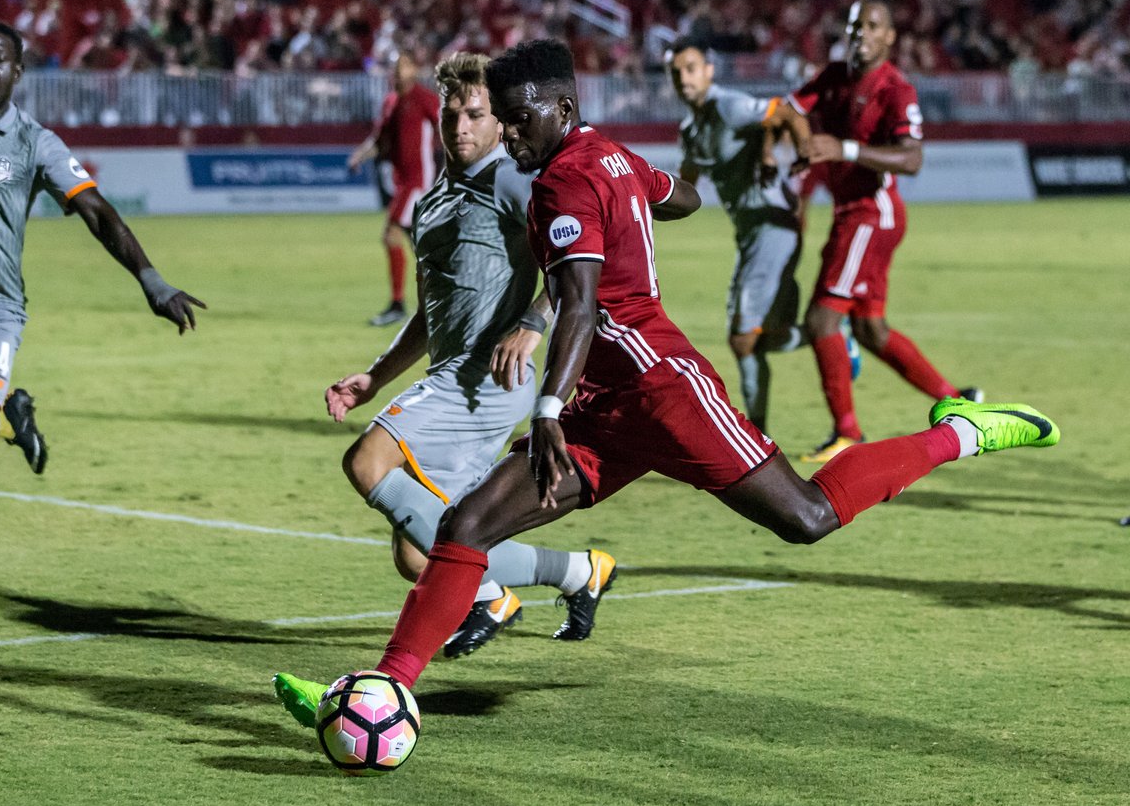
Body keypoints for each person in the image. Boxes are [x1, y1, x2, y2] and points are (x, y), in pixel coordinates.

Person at [270, 39, 1059, 731]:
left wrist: (548, 406)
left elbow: (576, 304)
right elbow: (682, 194)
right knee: (468, 525)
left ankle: (961, 429)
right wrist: (631, 193)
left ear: (561, 108)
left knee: (809, 516)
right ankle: (383, 687)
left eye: (518, 118)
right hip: (607, 404)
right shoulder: (602, 156)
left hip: (664, 389)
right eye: (501, 119)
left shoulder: (559, 186)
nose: (508, 133)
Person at [274, 52, 616, 717]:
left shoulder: (515, 183)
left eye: (476, 114)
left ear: (498, 121)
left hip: (487, 380)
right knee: (419, 551)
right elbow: (431, 316)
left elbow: (574, 269)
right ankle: (579, 571)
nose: (461, 125)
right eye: (453, 113)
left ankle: (488, 598)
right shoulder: (433, 203)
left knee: (368, 460)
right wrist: (375, 375)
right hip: (447, 373)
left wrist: (531, 322)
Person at [0, 20, 204, 585]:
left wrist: (151, 281)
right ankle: (9, 417)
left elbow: (98, 212)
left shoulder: (35, 142)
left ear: (17, 73)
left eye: (0, 60)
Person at [789, 0, 981, 463]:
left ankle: (847, 434)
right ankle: (959, 400)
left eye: (873, 25)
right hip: (854, 215)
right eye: (855, 24)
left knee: (821, 321)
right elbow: (789, 110)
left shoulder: (896, 89)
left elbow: (912, 159)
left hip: (871, 215)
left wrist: (845, 148)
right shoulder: (834, 75)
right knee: (871, 329)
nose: (861, 32)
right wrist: (796, 145)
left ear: (890, 37)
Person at [668, 37, 849, 434]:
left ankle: (757, 433)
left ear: (709, 71)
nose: (684, 78)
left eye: (691, 68)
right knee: (765, 337)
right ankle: (834, 338)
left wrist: (788, 152)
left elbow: (785, 111)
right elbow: (687, 188)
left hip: (773, 228)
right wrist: (639, 204)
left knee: (742, 340)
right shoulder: (691, 128)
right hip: (751, 235)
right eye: (676, 71)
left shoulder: (728, 105)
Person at [348, 53, 440, 327]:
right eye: (396, 67)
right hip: (403, 181)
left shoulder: (425, 99)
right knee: (421, 246)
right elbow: (380, 140)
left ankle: (398, 304)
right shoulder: (390, 103)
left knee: (391, 235)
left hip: (418, 180)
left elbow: (447, 129)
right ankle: (445, 297)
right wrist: (359, 156)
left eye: (405, 66)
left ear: (415, 69)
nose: (399, 72)